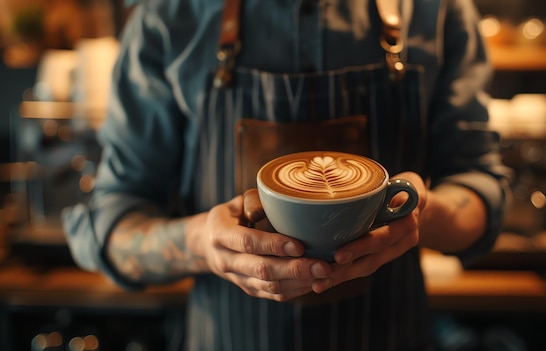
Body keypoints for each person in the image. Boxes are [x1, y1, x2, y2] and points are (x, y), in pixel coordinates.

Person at [62, 0, 510, 350]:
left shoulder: (437, 12)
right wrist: (201, 243)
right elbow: (111, 226)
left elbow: (480, 195)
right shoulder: (168, 18)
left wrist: (416, 214)